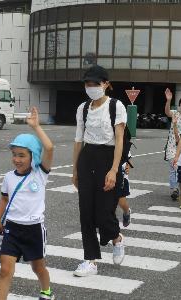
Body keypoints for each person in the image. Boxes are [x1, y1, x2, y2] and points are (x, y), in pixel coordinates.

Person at [0, 107, 55, 300]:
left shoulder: (40, 174)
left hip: (34, 229)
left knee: (38, 267)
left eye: (22, 155)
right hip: (12, 228)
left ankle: (46, 291)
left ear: (33, 157)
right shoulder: (9, 177)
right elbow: (4, 199)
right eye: (14, 154)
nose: (16, 159)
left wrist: (36, 127)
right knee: (5, 270)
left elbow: (50, 148)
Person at [72, 65, 127, 277]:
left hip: (108, 158)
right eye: (88, 84)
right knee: (85, 212)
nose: (91, 87)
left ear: (105, 84)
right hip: (87, 159)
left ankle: (117, 238)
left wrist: (114, 170)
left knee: (104, 212)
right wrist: (75, 170)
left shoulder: (116, 106)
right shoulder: (83, 108)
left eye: (95, 83)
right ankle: (90, 261)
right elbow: (78, 140)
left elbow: (119, 139)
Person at [164, 89, 181, 201]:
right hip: (172, 145)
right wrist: (168, 100)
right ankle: (174, 189)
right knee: (173, 166)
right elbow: (167, 112)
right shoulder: (175, 113)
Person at [118, 154, 132, 227]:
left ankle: (126, 212)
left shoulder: (123, 142)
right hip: (105, 173)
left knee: (121, 202)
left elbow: (128, 157)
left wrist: (127, 166)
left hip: (121, 176)